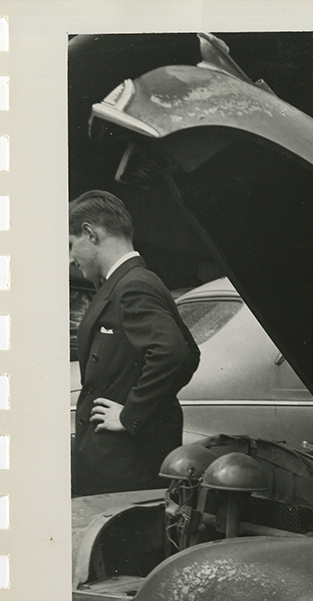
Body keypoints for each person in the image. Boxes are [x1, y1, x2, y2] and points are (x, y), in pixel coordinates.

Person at [69, 190, 200, 496]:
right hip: (116, 458)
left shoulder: (132, 285)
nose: (71, 259)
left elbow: (174, 355)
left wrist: (130, 416)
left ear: (91, 233)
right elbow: (189, 352)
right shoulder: (131, 281)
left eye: (71, 245)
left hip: (121, 462)